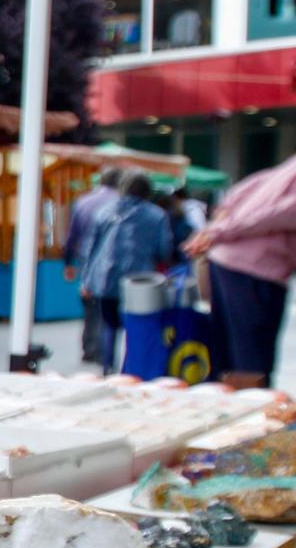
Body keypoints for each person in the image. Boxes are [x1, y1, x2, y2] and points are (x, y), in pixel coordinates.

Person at [185, 149, 296, 383]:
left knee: (227, 354)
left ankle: (227, 409)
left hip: (226, 263)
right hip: (254, 270)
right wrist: (217, 231)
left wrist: (215, 230)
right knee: (251, 360)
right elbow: (276, 214)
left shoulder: (285, 168)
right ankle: (251, 415)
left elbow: (236, 195)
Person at [81, 172, 174, 374]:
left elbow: (91, 247)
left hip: (105, 278)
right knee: (136, 326)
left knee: (109, 325)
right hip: (140, 282)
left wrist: (86, 280)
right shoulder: (157, 215)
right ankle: (131, 369)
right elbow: (164, 250)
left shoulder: (104, 211)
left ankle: (107, 367)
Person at [63, 167, 123, 367]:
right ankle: (100, 349)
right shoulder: (119, 203)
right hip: (112, 260)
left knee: (90, 305)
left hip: (86, 259)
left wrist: (68, 261)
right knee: (106, 306)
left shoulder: (83, 201)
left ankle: (89, 347)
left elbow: (72, 235)